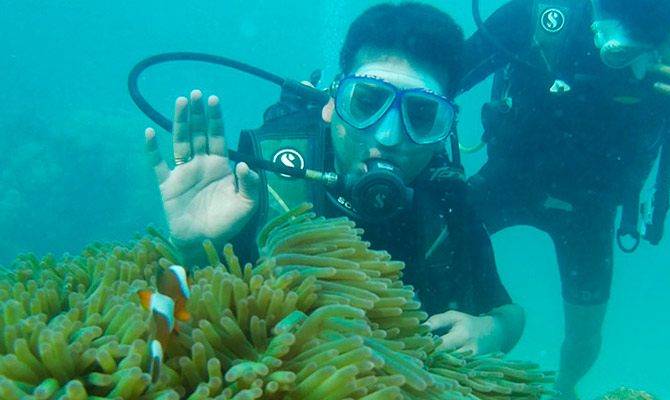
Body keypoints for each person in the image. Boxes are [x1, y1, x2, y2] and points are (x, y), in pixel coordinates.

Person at [143, 2, 525, 356]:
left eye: (422, 115)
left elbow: (509, 312)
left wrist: (492, 330)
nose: (388, 136)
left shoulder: (446, 200)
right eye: (366, 101)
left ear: (445, 131)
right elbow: (174, 341)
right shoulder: (265, 174)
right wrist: (193, 252)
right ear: (331, 102)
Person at [460, 0, 670, 398]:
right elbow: (442, 78)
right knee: (428, 251)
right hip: (507, 180)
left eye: (657, 54)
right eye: (624, 53)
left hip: (591, 208)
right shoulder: (541, 18)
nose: (639, 71)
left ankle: (564, 388)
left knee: (584, 333)